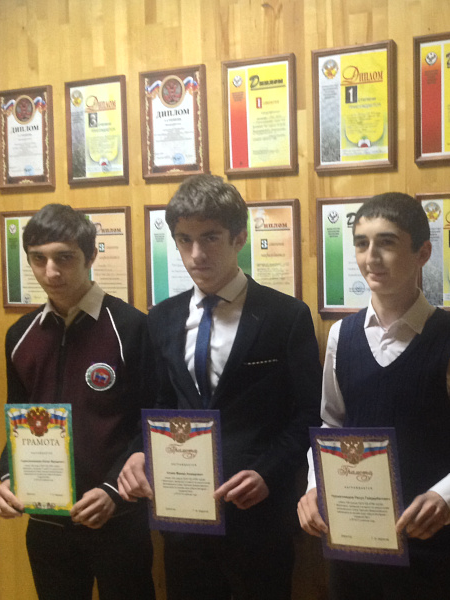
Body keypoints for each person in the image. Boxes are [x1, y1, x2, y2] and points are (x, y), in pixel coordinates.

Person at [297, 192, 450, 600]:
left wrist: (448, 496)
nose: (371, 257)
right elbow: (331, 426)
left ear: (422, 253)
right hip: (352, 540)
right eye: (362, 243)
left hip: (428, 543)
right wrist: (316, 485)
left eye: (386, 243)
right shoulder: (341, 336)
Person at [117, 174, 322, 600]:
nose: (196, 254)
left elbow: (309, 414)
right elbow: (157, 404)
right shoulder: (162, 318)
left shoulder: (286, 316)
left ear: (239, 238)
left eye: (210, 237)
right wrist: (140, 451)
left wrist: (267, 473)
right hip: (184, 517)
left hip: (260, 517)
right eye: (184, 240)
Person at [0, 203, 156, 600]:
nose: (51, 271)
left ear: (91, 256)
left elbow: (151, 422)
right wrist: (7, 476)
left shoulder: (131, 327)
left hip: (118, 517)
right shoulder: (20, 335)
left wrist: (113, 491)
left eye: (64, 258)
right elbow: (18, 419)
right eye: (38, 259)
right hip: (47, 523)